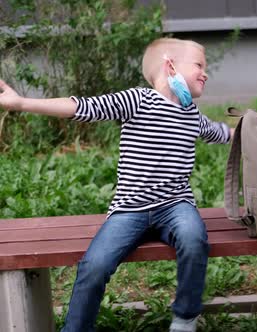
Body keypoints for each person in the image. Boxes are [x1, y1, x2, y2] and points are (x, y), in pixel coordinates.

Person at [0, 37, 232, 332]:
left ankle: (185, 318)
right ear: (170, 65)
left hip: (175, 205)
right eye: (199, 64)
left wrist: (251, 130)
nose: (206, 72)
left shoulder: (191, 114)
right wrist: (21, 103)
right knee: (94, 266)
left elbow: (219, 132)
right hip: (130, 210)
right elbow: (82, 107)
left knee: (193, 238)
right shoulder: (138, 100)